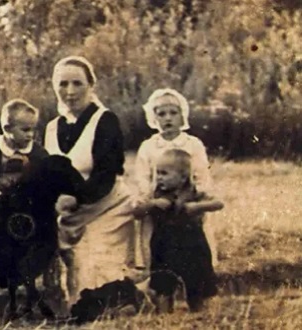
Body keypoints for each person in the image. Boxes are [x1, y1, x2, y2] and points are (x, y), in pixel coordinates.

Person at [43, 56, 135, 307]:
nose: (70, 92)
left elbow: (106, 175)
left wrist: (75, 198)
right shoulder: (52, 128)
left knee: (91, 270)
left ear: (90, 85)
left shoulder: (105, 121)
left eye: (77, 83)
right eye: (63, 84)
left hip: (107, 208)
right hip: (68, 215)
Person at [134, 88, 218, 269]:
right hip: (159, 209)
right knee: (159, 261)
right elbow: (142, 178)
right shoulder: (148, 147)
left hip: (187, 207)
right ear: (153, 117)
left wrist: (197, 197)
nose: (168, 118)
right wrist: (151, 200)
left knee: (194, 261)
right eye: (161, 114)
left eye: (173, 113)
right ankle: (164, 290)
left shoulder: (192, 144)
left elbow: (202, 175)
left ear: (182, 116)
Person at [132, 149, 223, 313]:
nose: (159, 177)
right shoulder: (154, 194)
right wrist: (152, 204)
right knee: (163, 284)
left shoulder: (194, 193)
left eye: (164, 173)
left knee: (197, 281)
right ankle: (164, 316)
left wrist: (197, 206)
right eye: (157, 173)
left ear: (183, 177)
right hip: (164, 245)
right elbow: (137, 213)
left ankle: (199, 312)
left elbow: (218, 203)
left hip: (193, 245)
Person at [0, 99, 49, 280]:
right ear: (7, 128)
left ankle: (49, 268)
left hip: (27, 199)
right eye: (25, 130)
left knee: (49, 220)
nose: (30, 135)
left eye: (33, 129)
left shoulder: (37, 152)